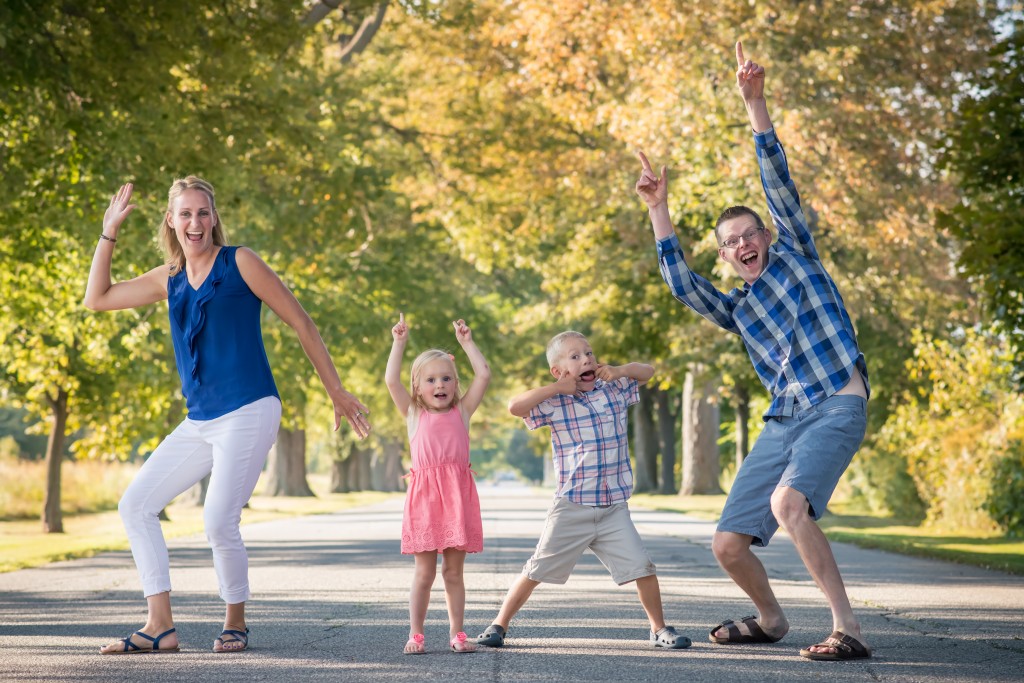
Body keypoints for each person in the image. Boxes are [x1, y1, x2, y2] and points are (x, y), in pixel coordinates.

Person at [635, 42, 871, 662]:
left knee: (788, 504)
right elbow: (683, 285)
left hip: (836, 404)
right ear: (725, 257)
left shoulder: (797, 253)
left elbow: (775, 177)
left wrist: (755, 102)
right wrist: (659, 209)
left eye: (749, 235)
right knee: (728, 545)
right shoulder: (739, 310)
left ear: (767, 236)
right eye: (730, 243)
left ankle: (847, 628)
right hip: (785, 419)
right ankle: (771, 621)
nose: (742, 245)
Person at [85, 178, 371, 654]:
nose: (194, 223)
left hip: (251, 406)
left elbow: (301, 321)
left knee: (218, 519)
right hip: (200, 420)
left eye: (202, 213)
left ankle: (235, 621)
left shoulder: (240, 262)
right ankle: (160, 625)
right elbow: (98, 298)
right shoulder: (168, 278)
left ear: (213, 218)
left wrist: (335, 389)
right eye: (185, 214)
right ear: (171, 222)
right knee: (134, 505)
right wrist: (108, 233)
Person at [475, 331, 692, 651]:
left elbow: (648, 372)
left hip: (613, 507)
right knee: (537, 568)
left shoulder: (614, 388)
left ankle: (659, 629)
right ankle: (498, 625)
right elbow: (514, 406)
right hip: (572, 506)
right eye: (575, 357)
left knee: (642, 568)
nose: (586, 359)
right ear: (559, 371)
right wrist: (554, 389)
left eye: (588, 353)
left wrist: (621, 370)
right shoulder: (554, 402)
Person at [385, 313, 490, 655]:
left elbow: (484, 374)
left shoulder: (463, 411)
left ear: (456, 384)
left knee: (454, 573)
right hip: (425, 501)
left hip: (458, 498)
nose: (440, 385)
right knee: (424, 573)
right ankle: (416, 633)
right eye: (430, 380)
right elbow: (391, 381)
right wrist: (399, 343)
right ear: (417, 387)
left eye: (446, 378)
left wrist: (467, 343)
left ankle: (458, 633)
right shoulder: (414, 414)